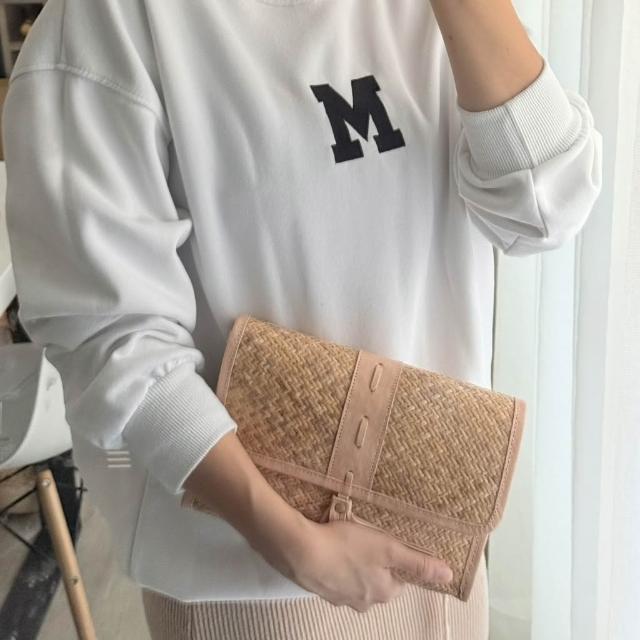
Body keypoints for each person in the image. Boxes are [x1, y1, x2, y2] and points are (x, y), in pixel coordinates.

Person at [2, 0, 602, 638]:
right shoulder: (112, 19)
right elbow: (111, 332)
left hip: (436, 536)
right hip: (252, 579)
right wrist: (291, 543)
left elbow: (542, 209)